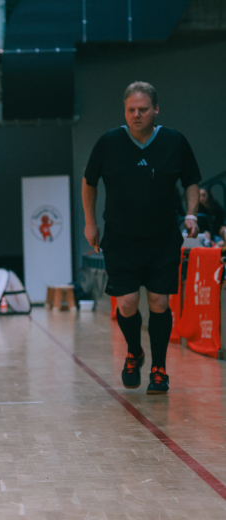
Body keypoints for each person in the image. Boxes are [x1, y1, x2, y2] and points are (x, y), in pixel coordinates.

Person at [82, 81, 201, 395]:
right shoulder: (109, 142)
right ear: (125, 111)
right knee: (127, 302)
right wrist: (90, 223)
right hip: (120, 238)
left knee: (160, 302)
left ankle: (159, 368)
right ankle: (134, 351)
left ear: (155, 110)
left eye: (143, 109)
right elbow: (89, 182)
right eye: (131, 110)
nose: (137, 114)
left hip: (162, 238)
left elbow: (191, 180)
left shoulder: (174, 141)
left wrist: (191, 214)